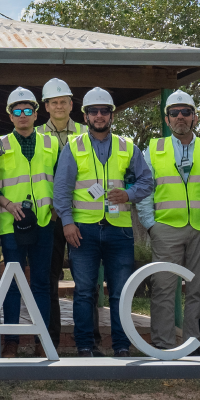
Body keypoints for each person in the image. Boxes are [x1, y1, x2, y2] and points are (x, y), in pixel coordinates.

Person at [54, 88, 154, 357]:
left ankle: (121, 346)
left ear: (112, 115)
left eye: (104, 111)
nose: (99, 116)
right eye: (93, 111)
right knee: (85, 292)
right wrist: (67, 223)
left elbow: (147, 181)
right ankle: (85, 345)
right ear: (85, 116)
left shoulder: (127, 147)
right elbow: (61, 189)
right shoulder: (73, 147)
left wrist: (130, 194)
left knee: (121, 292)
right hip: (82, 230)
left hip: (119, 230)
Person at [136, 91, 200, 350]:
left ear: (195, 116)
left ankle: (192, 345)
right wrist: (151, 224)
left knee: (197, 290)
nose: (180, 117)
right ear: (167, 118)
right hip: (166, 228)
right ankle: (163, 346)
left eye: (185, 112)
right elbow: (144, 189)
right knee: (163, 287)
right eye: (174, 113)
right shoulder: (154, 148)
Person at [0, 87, 62, 355]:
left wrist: (57, 211)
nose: (22, 115)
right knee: (12, 282)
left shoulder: (52, 143)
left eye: (27, 110)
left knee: (41, 283)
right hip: (11, 224)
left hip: (44, 223)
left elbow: (62, 181)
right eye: (16, 111)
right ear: (10, 116)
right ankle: (10, 339)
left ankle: (41, 341)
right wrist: (7, 204)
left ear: (36, 114)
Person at [38, 77, 79, 336]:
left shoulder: (87, 133)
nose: (59, 106)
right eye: (54, 102)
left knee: (85, 282)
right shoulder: (37, 135)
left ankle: (88, 339)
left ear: (71, 104)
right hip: (50, 218)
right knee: (50, 278)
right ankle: (50, 337)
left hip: (82, 216)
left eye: (63, 101)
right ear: (47, 107)